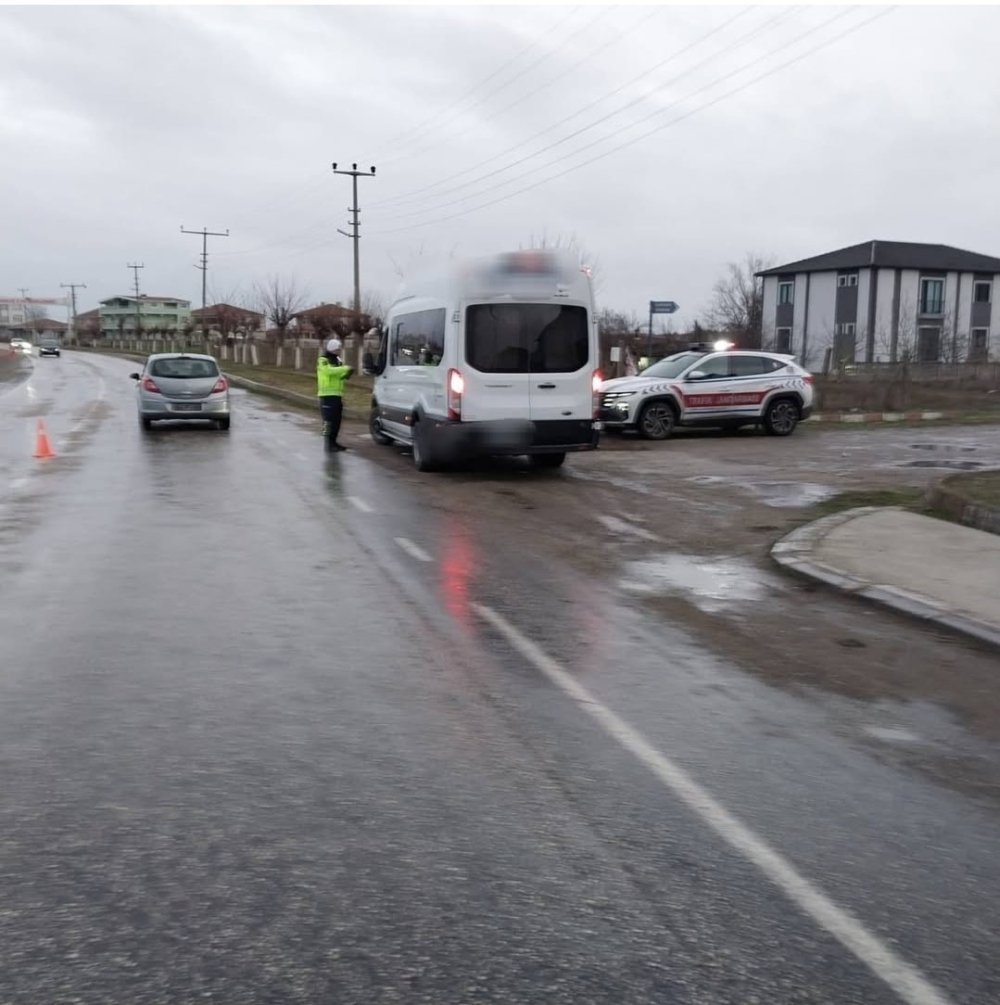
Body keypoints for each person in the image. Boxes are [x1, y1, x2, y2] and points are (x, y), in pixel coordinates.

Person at [316, 337, 354, 452]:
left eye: (339, 349)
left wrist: (347, 374)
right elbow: (328, 371)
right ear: (331, 348)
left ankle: (334, 442)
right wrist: (345, 368)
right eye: (336, 349)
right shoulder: (323, 360)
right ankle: (327, 443)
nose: (338, 351)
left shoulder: (338, 360)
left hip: (337, 394)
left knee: (337, 421)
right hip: (326, 395)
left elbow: (338, 376)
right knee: (328, 422)